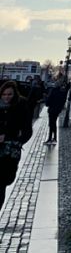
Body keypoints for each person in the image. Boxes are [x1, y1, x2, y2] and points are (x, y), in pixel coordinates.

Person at [0, 81, 33, 209]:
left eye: (9, 94)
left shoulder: (22, 105)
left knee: (3, 182)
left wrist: (16, 141)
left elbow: (27, 130)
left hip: (10, 151)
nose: (7, 97)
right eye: (4, 94)